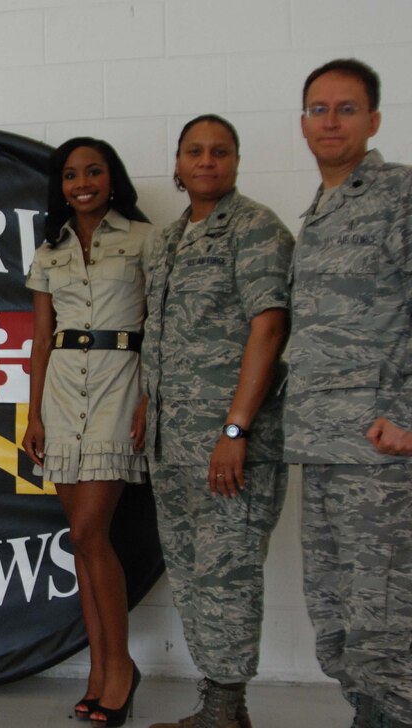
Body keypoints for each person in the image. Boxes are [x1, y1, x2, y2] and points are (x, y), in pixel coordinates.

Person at [139, 115, 293, 728]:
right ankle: (218, 705)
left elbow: (270, 326)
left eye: (220, 151)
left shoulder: (255, 229)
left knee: (227, 576)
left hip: (229, 446)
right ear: (177, 164)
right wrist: (149, 410)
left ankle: (228, 709)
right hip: (172, 445)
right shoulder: (168, 241)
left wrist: (235, 429)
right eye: (195, 151)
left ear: (236, 161)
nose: (207, 161)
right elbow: (162, 334)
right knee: (192, 574)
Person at [287, 58, 412, 728]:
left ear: (374, 120)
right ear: (303, 123)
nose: (330, 121)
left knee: (386, 610)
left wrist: (409, 418)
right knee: (334, 607)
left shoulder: (399, 194)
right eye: (318, 109)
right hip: (324, 442)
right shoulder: (320, 212)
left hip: (381, 446)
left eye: (346, 108)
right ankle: (368, 714)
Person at [22, 138, 149, 726]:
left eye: (94, 171)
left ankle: (120, 668)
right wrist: (33, 414)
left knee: (90, 532)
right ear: (61, 184)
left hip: (121, 385)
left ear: (112, 178)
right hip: (63, 390)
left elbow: (161, 326)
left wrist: (152, 396)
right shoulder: (49, 251)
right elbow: (41, 339)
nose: (83, 182)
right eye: (71, 174)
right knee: (80, 541)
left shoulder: (148, 240)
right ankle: (100, 668)